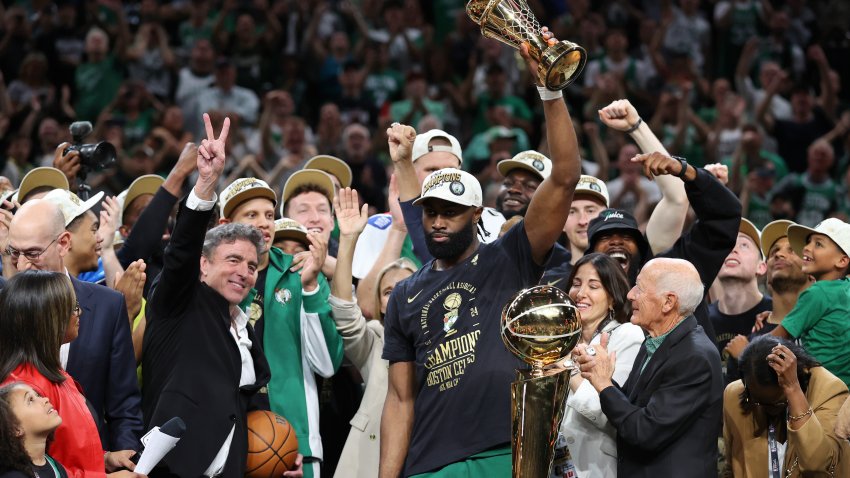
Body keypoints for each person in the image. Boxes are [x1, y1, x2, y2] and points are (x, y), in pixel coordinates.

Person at [380, 35, 581, 477]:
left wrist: (549, 91)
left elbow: (565, 177)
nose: (438, 221)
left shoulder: (507, 258)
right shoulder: (405, 295)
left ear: (476, 214)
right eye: (431, 211)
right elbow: (399, 400)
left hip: (506, 453)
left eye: (451, 213)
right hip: (429, 463)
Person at [142, 115, 278, 477]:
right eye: (233, 259)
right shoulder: (180, 300)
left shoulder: (243, 329)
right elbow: (182, 249)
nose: (244, 271)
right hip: (171, 466)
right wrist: (205, 183)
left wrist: (279, 456)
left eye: (251, 266)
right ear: (203, 266)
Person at [218, 176, 341, 478]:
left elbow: (327, 365)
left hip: (296, 451)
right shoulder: (211, 282)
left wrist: (312, 288)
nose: (264, 223)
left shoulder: (301, 272)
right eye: (251, 215)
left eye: (269, 215)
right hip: (224, 451)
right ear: (225, 224)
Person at [6, 201, 142, 454]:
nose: (23, 265)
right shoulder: (4, 306)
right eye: (14, 253)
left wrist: (125, 458)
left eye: (33, 253)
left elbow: (124, 406)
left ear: (63, 243)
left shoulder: (107, 306)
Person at [575, 258, 723, 477]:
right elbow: (632, 406)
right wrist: (600, 374)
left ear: (668, 302)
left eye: (640, 288)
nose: (630, 294)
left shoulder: (695, 357)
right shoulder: (655, 341)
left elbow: (644, 431)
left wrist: (605, 384)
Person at [585, 151, 743, 343]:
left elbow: (723, 217)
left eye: (627, 237)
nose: (617, 241)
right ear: (590, 255)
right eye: (606, 237)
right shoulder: (581, 297)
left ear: (641, 248)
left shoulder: (673, 272)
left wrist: (687, 171)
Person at [0, 271, 142, 478]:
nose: (80, 313)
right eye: (73, 308)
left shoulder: (52, 371)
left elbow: (66, 451)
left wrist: (104, 458)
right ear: (48, 319)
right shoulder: (24, 387)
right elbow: (38, 470)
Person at [330, 187, 417, 478]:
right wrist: (347, 239)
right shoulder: (374, 338)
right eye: (389, 291)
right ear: (379, 304)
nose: (397, 297)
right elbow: (343, 307)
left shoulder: (443, 338)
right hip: (370, 460)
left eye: (407, 288)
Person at [558, 253, 645, 477]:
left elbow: (613, 415)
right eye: (576, 284)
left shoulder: (627, 335)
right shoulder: (559, 342)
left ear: (612, 297)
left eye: (593, 286)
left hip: (601, 469)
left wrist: (566, 368)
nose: (581, 293)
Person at [723, 336, 850, 477]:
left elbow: (817, 465)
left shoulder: (829, 390)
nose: (767, 409)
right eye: (759, 401)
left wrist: (793, 390)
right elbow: (731, 468)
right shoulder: (734, 395)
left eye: (777, 403)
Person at [771, 219, 850, 386]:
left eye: (818, 244)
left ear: (842, 261)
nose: (806, 247)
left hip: (822, 394)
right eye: (808, 242)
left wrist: (744, 348)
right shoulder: (844, 289)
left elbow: (775, 339)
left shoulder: (818, 292)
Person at [709, 219, 772, 384]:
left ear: (762, 266)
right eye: (727, 244)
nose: (733, 249)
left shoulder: (774, 315)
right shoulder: (702, 320)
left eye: (744, 245)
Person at [0, 382, 69, 478]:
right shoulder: (12, 475)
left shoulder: (56, 467)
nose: (45, 399)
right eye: (30, 400)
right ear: (15, 428)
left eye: (37, 395)